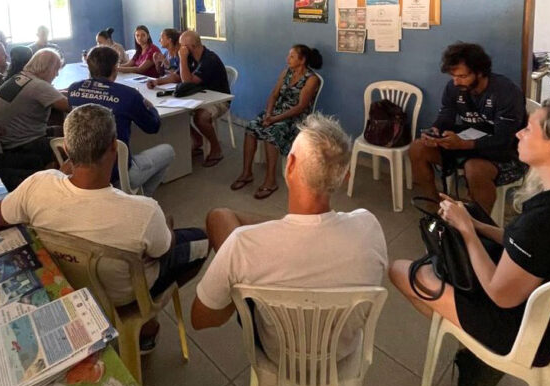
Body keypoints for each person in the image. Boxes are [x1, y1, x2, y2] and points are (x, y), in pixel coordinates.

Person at [390, 99, 550, 386]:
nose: (519, 134)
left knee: (400, 270)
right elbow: (529, 248)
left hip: (523, 328)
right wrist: (478, 225)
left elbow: (501, 295)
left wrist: (466, 230)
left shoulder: (543, 221)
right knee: (454, 259)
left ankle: (477, 353)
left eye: (529, 129)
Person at [0, 103, 208, 349]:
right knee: (202, 238)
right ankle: (147, 316)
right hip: (124, 297)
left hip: (67, 282)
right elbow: (163, 251)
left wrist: (57, 179)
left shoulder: (37, 184)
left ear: (67, 148)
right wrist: (166, 225)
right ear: (114, 146)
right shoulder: (144, 211)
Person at [192, 113, 388, 364]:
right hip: (341, 352)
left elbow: (202, 320)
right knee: (221, 217)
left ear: (290, 164)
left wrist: (238, 292)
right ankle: (293, 228)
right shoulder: (369, 226)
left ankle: (282, 237)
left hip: (278, 353)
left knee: (219, 218)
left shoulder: (242, 245)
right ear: (345, 176)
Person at [409, 42, 526, 213]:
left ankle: (479, 223)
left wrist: (463, 144)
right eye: (453, 76)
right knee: (417, 148)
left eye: (462, 76)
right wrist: (435, 131)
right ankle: (434, 207)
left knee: (474, 168)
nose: (456, 82)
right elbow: (447, 113)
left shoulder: (506, 92)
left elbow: (504, 140)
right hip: (468, 141)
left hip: (506, 152)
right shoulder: (454, 87)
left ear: (480, 72)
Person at [67, 46, 175, 196]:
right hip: (117, 172)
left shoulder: (73, 89)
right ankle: (142, 199)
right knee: (168, 151)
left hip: (81, 169)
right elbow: (153, 127)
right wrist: (151, 108)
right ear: (115, 68)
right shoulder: (128, 94)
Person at [231, 44, 322, 199]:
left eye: (292, 56)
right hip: (276, 113)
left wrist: (274, 119)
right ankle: (247, 173)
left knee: (272, 133)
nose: (287, 59)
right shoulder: (286, 72)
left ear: (302, 60)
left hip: (295, 118)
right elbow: (274, 94)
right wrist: (268, 114)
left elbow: (300, 107)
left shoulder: (312, 79)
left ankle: (270, 180)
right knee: (251, 128)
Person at [148, 30, 230, 167]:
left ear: (192, 46)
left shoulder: (209, 59)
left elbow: (187, 81)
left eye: (182, 46)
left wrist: (182, 58)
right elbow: (177, 76)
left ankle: (216, 149)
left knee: (201, 117)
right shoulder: (191, 57)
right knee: (177, 113)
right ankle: (197, 140)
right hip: (198, 96)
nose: (180, 48)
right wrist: (157, 82)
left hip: (219, 100)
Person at [0, 49, 70, 170]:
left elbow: (50, 94)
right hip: (22, 146)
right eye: (56, 69)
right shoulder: (39, 86)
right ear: (48, 68)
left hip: (6, 141)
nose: (57, 74)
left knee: (60, 130)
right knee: (75, 144)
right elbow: (70, 107)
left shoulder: (21, 77)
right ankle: (57, 174)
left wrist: (69, 92)